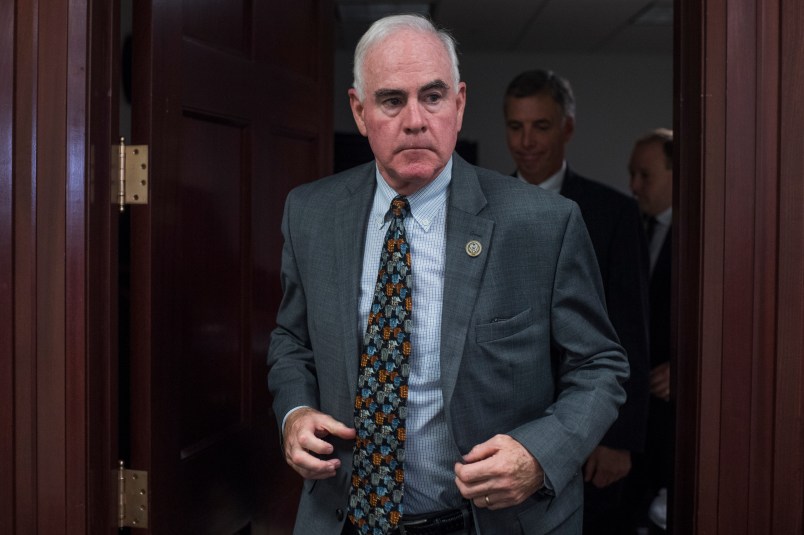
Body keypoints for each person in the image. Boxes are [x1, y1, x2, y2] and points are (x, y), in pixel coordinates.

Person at [267, 14, 629, 535]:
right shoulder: (311, 214)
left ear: (458, 105)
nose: (415, 119)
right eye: (392, 100)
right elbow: (290, 341)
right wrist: (295, 412)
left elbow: (600, 364)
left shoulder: (543, 222)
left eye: (432, 97)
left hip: (492, 523)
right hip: (343, 519)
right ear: (359, 110)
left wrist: (539, 455)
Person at [502, 70, 651, 534]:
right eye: (515, 126)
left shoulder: (613, 213)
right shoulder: (476, 205)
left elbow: (631, 328)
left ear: (567, 127)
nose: (526, 141)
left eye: (540, 126)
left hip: (588, 429)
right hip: (499, 427)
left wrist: (620, 438)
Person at [624, 128, 674, 533]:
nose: (634, 186)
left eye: (645, 175)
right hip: (630, 402)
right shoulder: (630, 226)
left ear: (676, 175)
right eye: (632, 174)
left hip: (673, 414)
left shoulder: (707, 235)